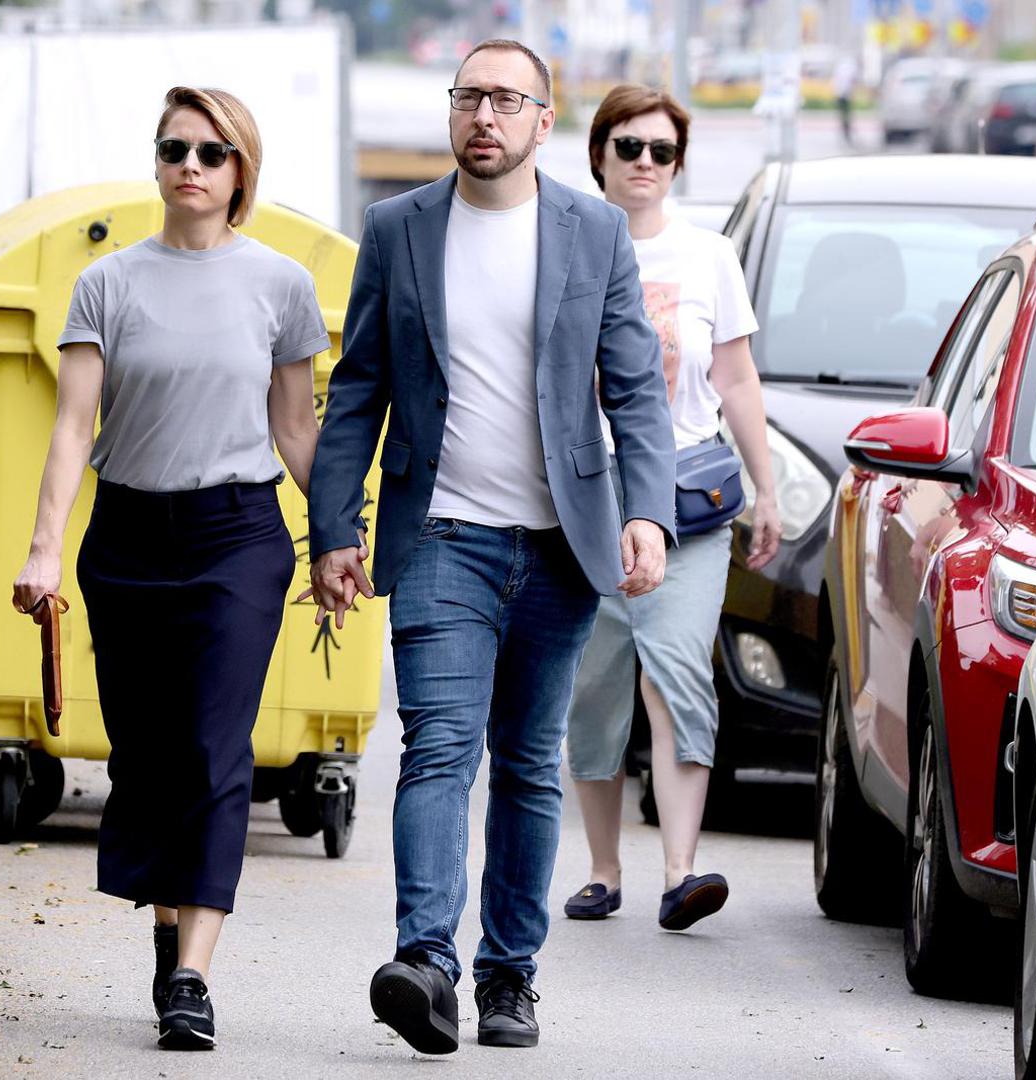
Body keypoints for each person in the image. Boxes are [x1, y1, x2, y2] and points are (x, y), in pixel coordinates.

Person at [305, 40, 676, 1055]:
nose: (484, 116)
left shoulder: (593, 232)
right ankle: (425, 961)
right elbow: (357, 392)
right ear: (452, 109)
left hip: (559, 544)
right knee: (437, 749)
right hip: (440, 535)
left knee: (526, 765)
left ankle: (509, 977)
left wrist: (647, 508)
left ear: (542, 120)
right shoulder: (397, 228)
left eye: (506, 100)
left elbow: (635, 386)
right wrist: (333, 528)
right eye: (469, 96)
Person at [9, 86, 334, 1052]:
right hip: (129, 538)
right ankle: (166, 936)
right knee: (148, 757)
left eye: (210, 152)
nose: (188, 165)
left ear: (241, 172)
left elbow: (294, 428)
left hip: (237, 536)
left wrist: (340, 543)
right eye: (173, 149)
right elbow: (74, 426)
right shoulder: (107, 284)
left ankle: (192, 973)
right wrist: (43, 548)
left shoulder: (280, 285)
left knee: (213, 748)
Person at [561, 85, 781, 932]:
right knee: (594, 683)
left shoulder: (708, 256)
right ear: (600, 156)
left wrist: (765, 491)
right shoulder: (570, 248)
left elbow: (735, 379)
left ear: (679, 164)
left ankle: (681, 872)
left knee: (678, 671)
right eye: (629, 147)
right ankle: (604, 869)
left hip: (687, 497)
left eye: (660, 150)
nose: (645, 162)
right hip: (587, 498)